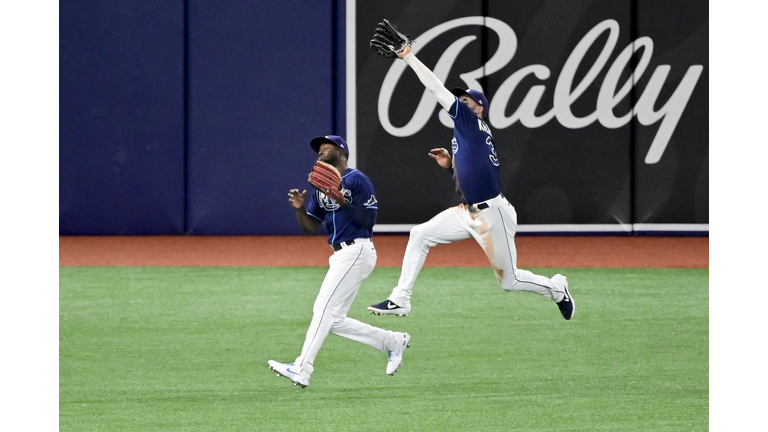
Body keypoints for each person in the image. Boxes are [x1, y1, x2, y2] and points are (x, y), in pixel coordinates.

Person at [367, 40, 575, 320]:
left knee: (509, 281)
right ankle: (400, 299)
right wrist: (450, 165)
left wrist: (408, 58)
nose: (460, 103)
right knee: (420, 234)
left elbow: (435, 88)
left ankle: (557, 289)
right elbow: (475, 172)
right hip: (468, 211)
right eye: (460, 100)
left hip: (493, 213)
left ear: (479, 108)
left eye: (466, 101)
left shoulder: (470, 122)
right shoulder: (465, 134)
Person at [268, 135, 411, 388]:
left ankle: (302, 368)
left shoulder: (357, 179)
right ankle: (391, 341)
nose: (320, 150)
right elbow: (311, 226)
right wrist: (300, 209)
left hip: (357, 249)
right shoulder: (321, 184)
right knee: (332, 319)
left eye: (326, 146)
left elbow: (367, 220)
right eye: (318, 149)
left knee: (322, 309)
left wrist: (341, 199)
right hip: (340, 255)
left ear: (341, 151)